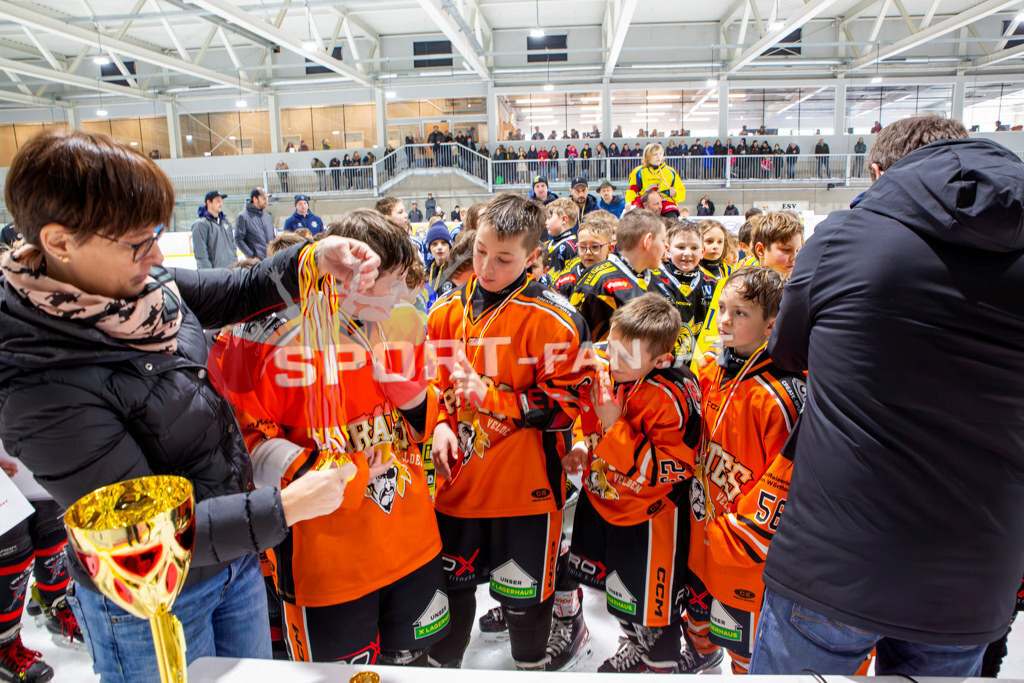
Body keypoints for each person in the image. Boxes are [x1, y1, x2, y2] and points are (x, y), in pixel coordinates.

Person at [0, 129, 380, 683]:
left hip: (233, 557)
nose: (157, 255)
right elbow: (144, 531)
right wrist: (284, 508)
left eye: (155, 235)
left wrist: (312, 257)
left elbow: (233, 290)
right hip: (152, 597)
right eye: (138, 243)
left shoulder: (134, 289)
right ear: (59, 241)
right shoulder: (39, 382)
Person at [750, 116, 1024, 677]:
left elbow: (790, 350)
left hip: (837, 558)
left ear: (878, 173)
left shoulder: (843, 237)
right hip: (973, 569)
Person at [212, 211, 448, 666]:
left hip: (411, 536)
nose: (402, 292)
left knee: (418, 662)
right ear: (352, 274)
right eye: (392, 280)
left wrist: (420, 405)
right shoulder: (266, 337)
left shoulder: (402, 323)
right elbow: (248, 446)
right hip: (328, 557)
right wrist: (343, 474)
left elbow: (429, 413)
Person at [425, 193, 596, 671]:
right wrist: (440, 421)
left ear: (533, 257)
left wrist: (492, 397)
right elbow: (433, 385)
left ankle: (533, 667)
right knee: (452, 603)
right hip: (456, 486)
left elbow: (569, 404)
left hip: (525, 489)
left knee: (525, 605)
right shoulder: (443, 313)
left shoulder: (558, 320)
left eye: (503, 258)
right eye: (480, 251)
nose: (486, 267)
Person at [565, 294, 701, 673]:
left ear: (661, 360)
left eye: (627, 357)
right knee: (621, 596)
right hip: (604, 504)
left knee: (654, 612)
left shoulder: (671, 394)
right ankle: (635, 646)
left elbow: (668, 470)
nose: (613, 361)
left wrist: (614, 427)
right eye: (611, 348)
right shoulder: (607, 370)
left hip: (651, 519)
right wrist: (581, 444)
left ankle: (660, 664)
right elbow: (585, 418)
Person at [684, 266, 804, 674]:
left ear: (771, 324)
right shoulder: (711, 370)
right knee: (698, 615)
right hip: (703, 531)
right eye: (722, 309)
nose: (723, 321)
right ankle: (701, 655)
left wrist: (737, 535)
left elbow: (785, 486)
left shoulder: (782, 393)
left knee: (746, 644)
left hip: (745, 551)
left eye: (740, 314)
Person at [0, 446, 82, 681]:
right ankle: (4, 645)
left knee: (53, 525)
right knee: (11, 546)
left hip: (31, 443)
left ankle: (57, 606)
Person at [570, 210, 671, 343]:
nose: (667, 247)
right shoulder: (602, 281)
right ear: (647, 241)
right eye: (663, 240)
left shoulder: (658, 280)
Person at [554, 213, 615, 298]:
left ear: (610, 248)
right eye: (582, 247)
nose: (588, 252)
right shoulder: (565, 280)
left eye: (595, 247)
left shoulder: (619, 277)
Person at [624, 143, 685, 218]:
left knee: (672, 218)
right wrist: (628, 201)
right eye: (655, 154)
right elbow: (632, 189)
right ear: (648, 156)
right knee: (634, 217)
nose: (658, 156)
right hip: (645, 201)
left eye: (660, 153)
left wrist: (675, 193)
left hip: (664, 200)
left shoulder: (670, 171)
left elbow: (681, 193)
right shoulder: (639, 171)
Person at [192, 190, 236, 269]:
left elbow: (232, 246)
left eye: (221, 201)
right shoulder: (201, 224)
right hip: (215, 276)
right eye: (217, 201)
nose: (221, 204)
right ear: (209, 202)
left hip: (231, 272)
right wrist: (209, 275)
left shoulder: (225, 222)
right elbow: (201, 255)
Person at [544, 197, 581, 283]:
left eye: (549, 218)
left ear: (564, 219)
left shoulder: (572, 247)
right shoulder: (547, 244)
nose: (546, 222)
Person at [235, 188, 276, 260]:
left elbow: (273, 237)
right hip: (256, 264)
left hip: (270, 260)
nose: (266, 201)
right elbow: (238, 239)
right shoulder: (243, 217)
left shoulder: (268, 217)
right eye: (263, 198)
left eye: (266, 199)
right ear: (255, 199)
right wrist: (252, 256)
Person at [424, 219, 452, 291]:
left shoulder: (457, 271)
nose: (439, 247)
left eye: (443, 243)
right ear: (429, 248)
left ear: (449, 246)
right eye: (434, 244)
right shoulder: (425, 274)